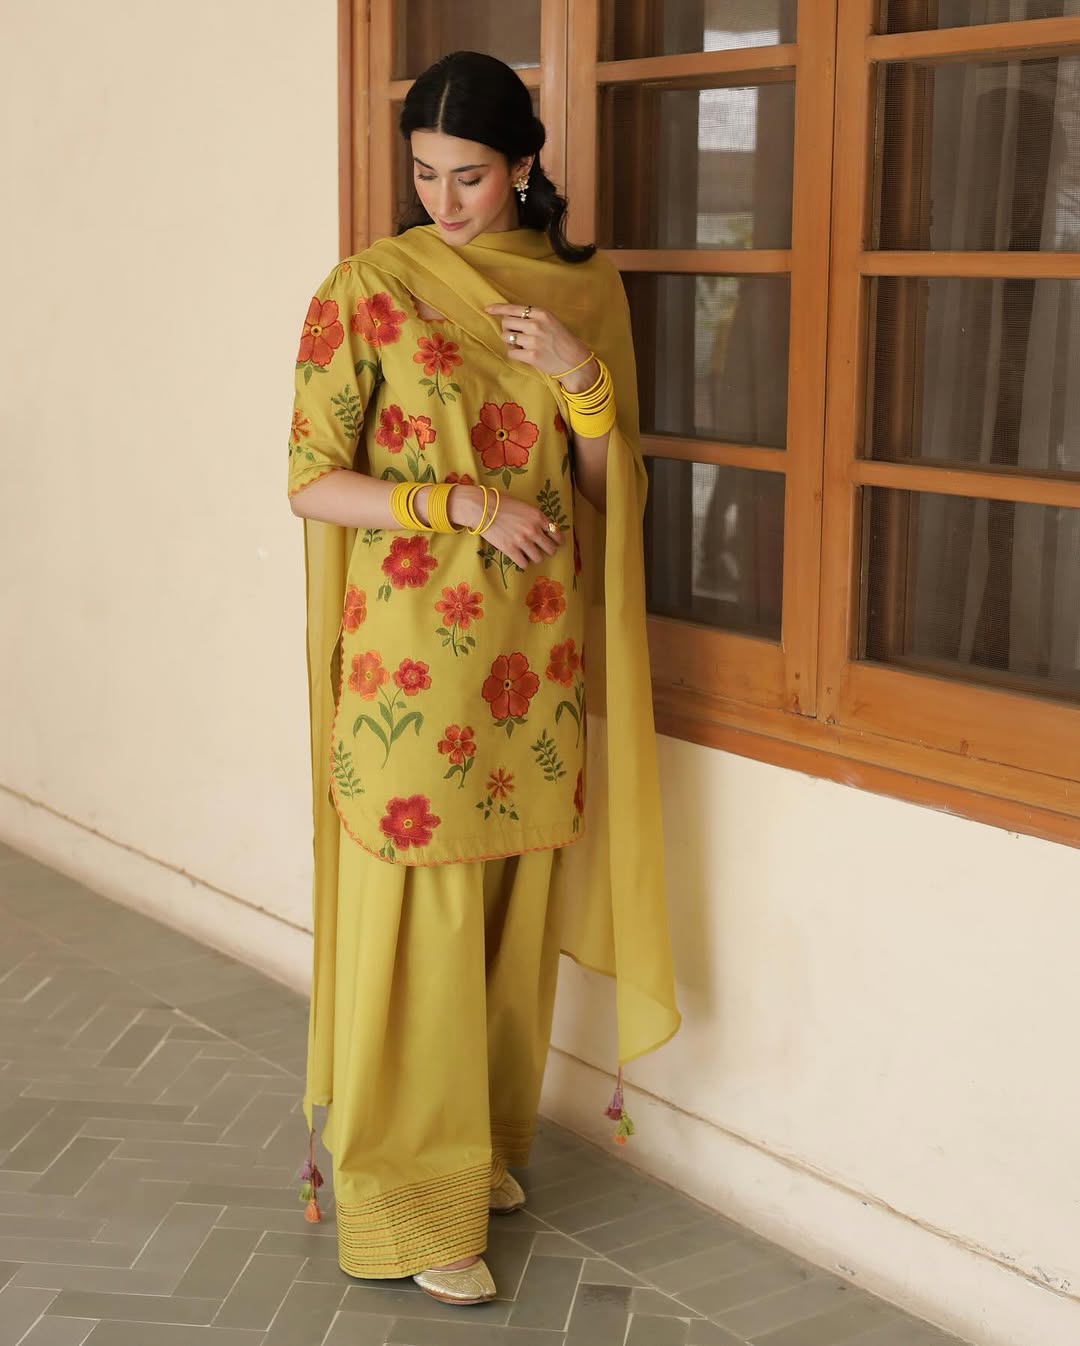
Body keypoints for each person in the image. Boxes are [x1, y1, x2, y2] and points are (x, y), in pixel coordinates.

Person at [287, 49, 680, 1307]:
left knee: (510, 910)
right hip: (413, 657)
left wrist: (581, 379)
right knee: (424, 921)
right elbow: (308, 477)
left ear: (524, 165)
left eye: (468, 176)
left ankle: (478, 1152)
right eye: (423, 175)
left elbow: (617, 503)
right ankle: (407, 1198)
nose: (443, 203)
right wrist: (447, 498)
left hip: (534, 657)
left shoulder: (586, 292)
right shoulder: (371, 287)